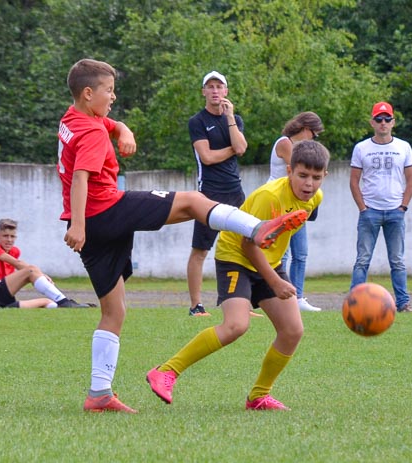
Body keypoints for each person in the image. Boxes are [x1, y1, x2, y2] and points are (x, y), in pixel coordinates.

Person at [58, 58, 307, 414]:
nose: (113, 97)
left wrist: (123, 129)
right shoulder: (94, 132)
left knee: (114, 311)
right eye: (109, 91)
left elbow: (106, 124)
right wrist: (78, 224)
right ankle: (255, 227)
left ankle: (99, 394)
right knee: (191, 201)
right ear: (88, 93)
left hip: (93, 226)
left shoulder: (73, 119)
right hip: (103, 211)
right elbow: (82, 177)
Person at [146, 140, 329, 411]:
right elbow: (247, 244)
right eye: (302, 175)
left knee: (293, 330)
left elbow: (280, 236)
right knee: (236, 325)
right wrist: (276, 280)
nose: (309, 184)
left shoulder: (316, 198)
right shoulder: (270, 196)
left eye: (316, 178)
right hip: (236, 257)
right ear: (289, 170)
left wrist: (275, 272)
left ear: (324, 176)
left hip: (269, 263)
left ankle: (258, 396)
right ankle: (166, 371)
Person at [186, 71, 250, 317]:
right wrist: (232, 149)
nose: (214, 91)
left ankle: (242, 303)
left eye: (219, 87)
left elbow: (242, 147)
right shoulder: (197, 121)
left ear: (226, 92)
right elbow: (207, 157)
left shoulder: (235, 120)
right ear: (203, 91)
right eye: (210, 87)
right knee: (200, 250)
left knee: (243, 247)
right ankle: (196, 306)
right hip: (209, 194)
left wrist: (231, 117)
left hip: (235, 192)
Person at [349, 102, 412, 312]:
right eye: (379, 119)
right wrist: (363, 208)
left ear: (393, 122)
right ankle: (355, 301)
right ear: (372, 122)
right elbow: (353, 181)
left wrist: (403, 207)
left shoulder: (403, 147)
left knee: (397, 260)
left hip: (395, 211)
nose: (383, 123)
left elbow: (411, 180)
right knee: (362, 260)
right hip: (370, 212)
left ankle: (403, 302)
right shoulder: (361, 148)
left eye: (387, 119)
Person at [268, 111, 325, 312]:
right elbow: (298, 168)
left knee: (300, 253)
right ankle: (278, 295)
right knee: (282, 253)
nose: (314, 138)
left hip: (296, 202)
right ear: (306, 128)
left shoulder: (299, 147)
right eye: (314, 134)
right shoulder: (285, 143)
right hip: (279, 203)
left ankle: (298, 296)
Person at [0, 218, 90, 309]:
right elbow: (17, 264)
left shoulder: (14, 251)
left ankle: (69, 308)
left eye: (12, 236)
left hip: (2, 299)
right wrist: (39, 274)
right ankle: (65, 302)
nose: (9, 240)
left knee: (47, 302)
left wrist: (36, 273)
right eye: (5, 236)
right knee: (30, 270)